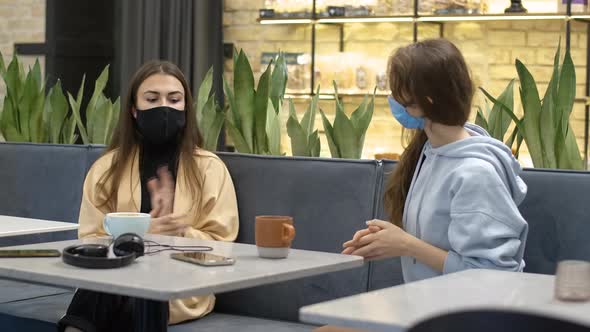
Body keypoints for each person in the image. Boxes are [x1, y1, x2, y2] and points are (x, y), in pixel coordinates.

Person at [58, 60, 239, 332]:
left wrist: (179, 232)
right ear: (134, 109)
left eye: (174, 99)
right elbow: (90, 240)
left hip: (181, 286)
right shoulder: (107, 168)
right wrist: (139, 233)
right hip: (114, 281)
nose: (164, 107)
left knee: (131, 295)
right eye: (152, 99)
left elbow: (223, 247)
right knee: (115, 284)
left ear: (186, 109)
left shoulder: (210, 169)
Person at [342, 39, 528, 282]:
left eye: (398, 92)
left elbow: (491, 274)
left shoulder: (476, 173)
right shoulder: (430, 152)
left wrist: (406, 245)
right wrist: (385, 240)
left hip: (465, 316)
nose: (392, 99)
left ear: (426, 100)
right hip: (429, 307)